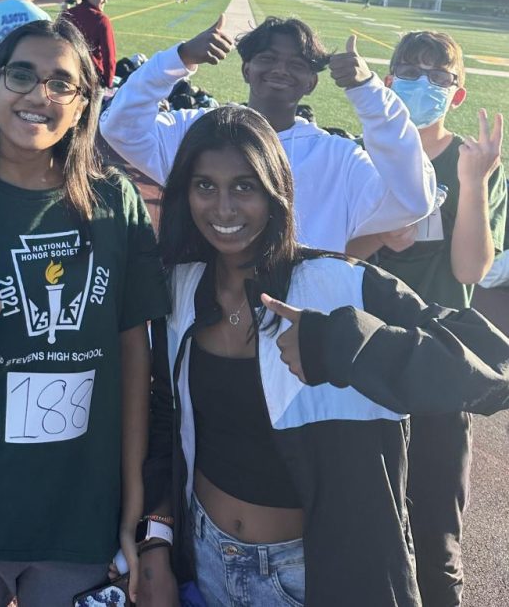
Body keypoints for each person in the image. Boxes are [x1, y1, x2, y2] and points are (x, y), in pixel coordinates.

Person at [134, 105, 509, 607]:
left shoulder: (340, 284)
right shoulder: (181, 289)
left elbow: (493, 364)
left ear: (277, 192)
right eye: (205, 186)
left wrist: (343, 344)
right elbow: (166, 415)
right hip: (204, 560)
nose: (223, 208)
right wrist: (158, 536)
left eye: (244, 187)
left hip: (311, 574)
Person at [0, 18, 171, 606]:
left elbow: (132, 362)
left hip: (80, 523)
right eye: (21, 74)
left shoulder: (114, 203)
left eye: (60, 83)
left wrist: (132, 506)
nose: (38, 94)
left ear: (83, 104)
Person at [347, 31, 506, 607]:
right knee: (366, 517)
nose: (424, 84)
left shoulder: (473, 161)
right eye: (410, 72)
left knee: (437, 525)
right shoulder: (361, 153)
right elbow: (335, 258)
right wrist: (376, 235)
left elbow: (469, 269)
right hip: (364, 352)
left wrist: (471, 183)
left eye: (439, 77)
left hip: (440, 358)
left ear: (457, 94)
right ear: (388, 82)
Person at [100, 14, 436, 252]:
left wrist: (369, 93)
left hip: (296, 335)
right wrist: (179, 58)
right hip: (196, 321)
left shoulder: (339, 158)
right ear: (246, 70)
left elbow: (412, 199)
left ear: (312, 82)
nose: (280, 70)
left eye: (297, 64)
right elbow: (120, 127)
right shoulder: (199, 131)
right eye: (268, 58)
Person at [63, 0, 117, 88]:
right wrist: (108, 81)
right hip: (91, 78)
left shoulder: (66, 14)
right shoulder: (101, 20)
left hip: (67, 73)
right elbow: (109, 55)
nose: (105, 1)